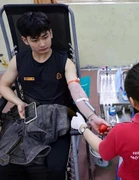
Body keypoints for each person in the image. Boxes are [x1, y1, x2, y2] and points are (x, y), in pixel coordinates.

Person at [0, 11, 109, 180]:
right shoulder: (19, 61)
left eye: (45, 36)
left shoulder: (64, 61)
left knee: (56, 170)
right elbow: (3, 85)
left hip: (59, 119)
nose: (42, 43)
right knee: (6, 167)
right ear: (25, 40)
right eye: (35, 40)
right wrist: (18, 102)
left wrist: (91, 116)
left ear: (51, 33)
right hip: (28, 115)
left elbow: (76, 90)